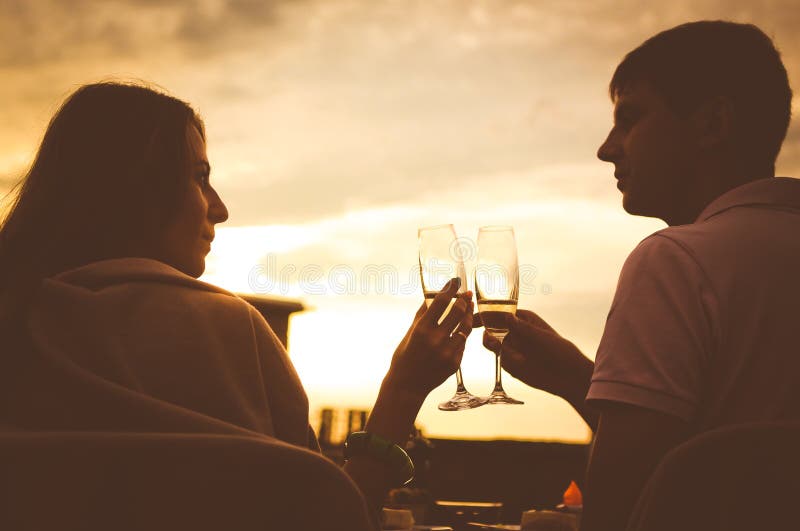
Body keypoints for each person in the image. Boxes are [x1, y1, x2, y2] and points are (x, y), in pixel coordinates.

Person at [0, 81, 474, 522]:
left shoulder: (19, 326)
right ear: (139, 187)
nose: (220, 208)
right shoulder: (224, 331)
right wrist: (404, 390)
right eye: (199, 176)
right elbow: (321, 520)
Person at [478, 20, 796, 531]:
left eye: (630, 119)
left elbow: (619, 503)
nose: (607, 148)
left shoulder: (675, 262)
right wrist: (574, 379)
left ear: (712, 125)